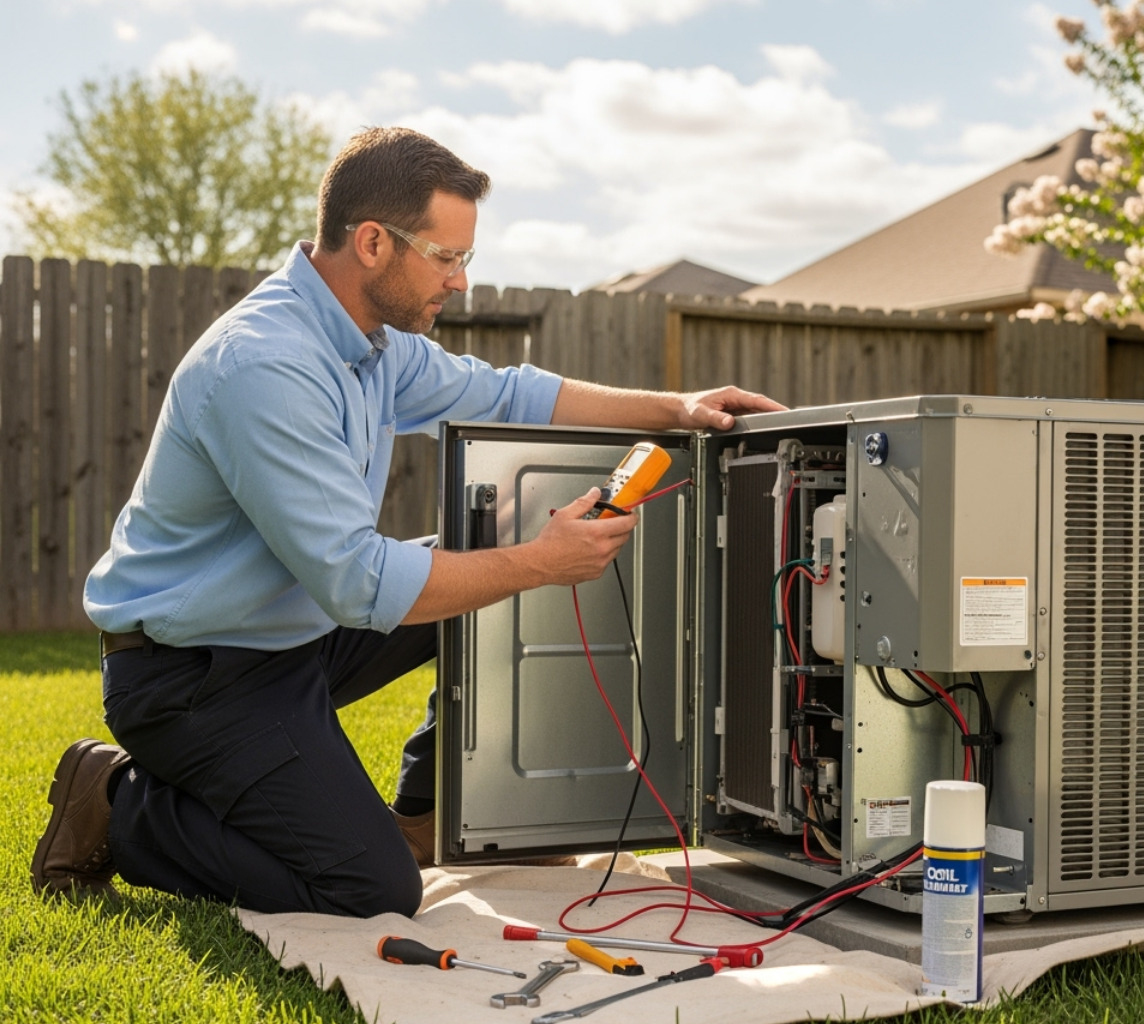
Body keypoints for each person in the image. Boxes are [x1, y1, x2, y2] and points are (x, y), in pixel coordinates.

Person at [30, 126, 782, 918]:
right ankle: (120, 803)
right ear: (372, 244)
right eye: (447, 257)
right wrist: (542, 561)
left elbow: (509, 394)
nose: (459, 282)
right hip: (192, 676)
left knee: (486, 557)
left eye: (466, 259)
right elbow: (359, 582)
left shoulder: (372, 344)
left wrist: (678, 407)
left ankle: (423, 815)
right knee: (369, 888)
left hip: (290, 635)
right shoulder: (266, 366)